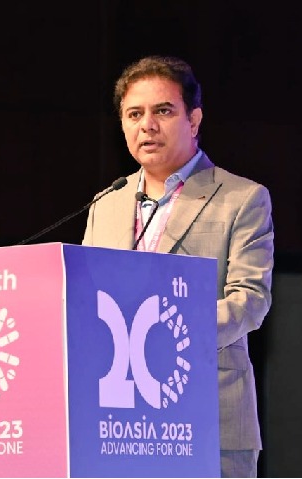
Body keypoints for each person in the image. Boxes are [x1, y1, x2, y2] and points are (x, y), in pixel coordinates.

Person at [82, 55, 274, 477]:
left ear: (194, 119)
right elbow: (85, 303)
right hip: (117, 419)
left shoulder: (241, 198)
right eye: (134, 114)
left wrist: (164, 339)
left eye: (164, 111)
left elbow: (249, 301)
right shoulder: (105, 204)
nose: (147, 125)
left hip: (207, 416)